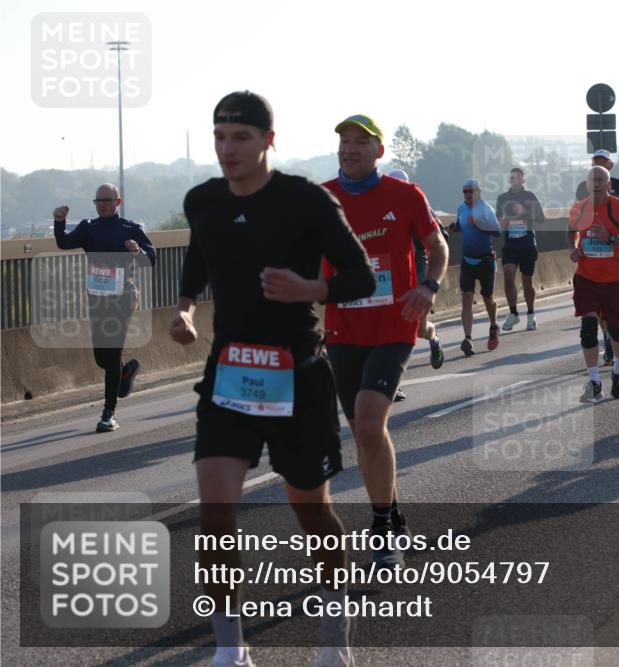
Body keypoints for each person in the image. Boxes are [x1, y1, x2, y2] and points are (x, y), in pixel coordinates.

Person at [171, 91, 376, 667]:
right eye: (219, 137)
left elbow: (360, 275)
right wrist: (185, 306)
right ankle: (230, 649)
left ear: (268, 140)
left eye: (239, 137)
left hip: (298, 374)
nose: (227, 149)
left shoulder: (304, 202)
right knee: (216, 515)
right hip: (230, 375)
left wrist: (314, 289)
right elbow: (198, 257)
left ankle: (334, 638)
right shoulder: (203, 201)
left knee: (312, 513)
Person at [322, 115, 448, 569]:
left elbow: (438, 249)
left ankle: (379, 526)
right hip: (342, 328)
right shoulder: (322, 199)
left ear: (378, 151)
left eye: (360, 142)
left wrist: (428, 287)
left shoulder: (405, 195)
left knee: (371, 422)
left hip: (395, 324)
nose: (348, 149)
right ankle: (392, 512)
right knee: (362, 432)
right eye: (343, 142)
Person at [54, 183, 157, 432]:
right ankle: (125, 372)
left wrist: (138, 251)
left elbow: (151, 259)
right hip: (98, 297)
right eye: (97, 200)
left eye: (106, 200)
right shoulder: (89, 228)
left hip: (124, 297)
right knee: (102, 358)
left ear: (118, 202)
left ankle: (108, 413)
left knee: (111, 351)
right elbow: (64, 243)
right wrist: (59, 221)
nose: (101, 204)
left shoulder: (131, 228)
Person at [568, 166, 619, 402]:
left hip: (615, 279)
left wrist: (610, 238)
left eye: (601, 180)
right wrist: (574, 248)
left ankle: (618, 373)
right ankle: (594, 382)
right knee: (588, 328)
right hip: (586, 278)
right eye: (593, 180)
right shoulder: (579, 209)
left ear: (609, 185)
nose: (597, 183)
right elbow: (571, 232)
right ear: (587, 184)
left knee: (617, 331)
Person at [385, 169, 445, 402]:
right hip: (390, 269)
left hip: (417, 265)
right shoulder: (382, 206)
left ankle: (433, 338)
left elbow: (438, 242)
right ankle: (394, 384)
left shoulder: (418, 205)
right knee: (392, 326)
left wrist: (429, 282)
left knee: (416, 328)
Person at [575, 149, 619, 364]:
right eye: (595, 161)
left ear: (611, 167)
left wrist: (613, 234)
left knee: (616, 322)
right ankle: (606, 339)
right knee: (591, 321)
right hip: (588, 270)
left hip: (615, 261)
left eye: (603, 162)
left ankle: (612, 339)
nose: (597, 181)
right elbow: (574, 227)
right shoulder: (581, 199)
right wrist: (575, 247)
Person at [451, 178, 501, 355]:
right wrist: (454, 228)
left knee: (488, 298)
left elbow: (497, 231)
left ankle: (494, 326)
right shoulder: (461, 209)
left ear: (478, 192)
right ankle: (468, 339)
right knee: (466, 298)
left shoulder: (486, 209)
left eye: (470, 191)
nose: (467, 195)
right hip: (467, 260)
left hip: (485, 260)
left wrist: (480, 224)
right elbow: (460, 225)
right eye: (464, 192)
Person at [496, 167, 545, 331]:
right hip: (510, 245)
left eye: (516, 178)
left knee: (527, 281)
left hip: (527, 244)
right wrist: (501, 224)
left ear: (523, 181)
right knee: (508, 277)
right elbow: (497, 220)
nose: (513, 181)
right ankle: (514, 313)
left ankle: (531, 315)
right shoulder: (502, 198)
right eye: (511, 178)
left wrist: (525, 211)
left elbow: (541, 218)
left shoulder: (529, 197)